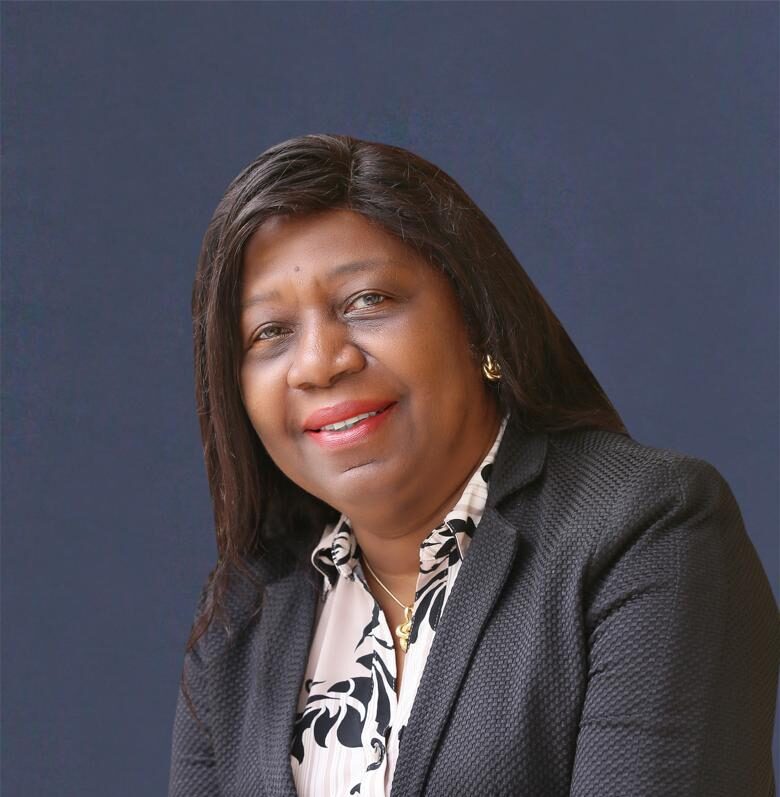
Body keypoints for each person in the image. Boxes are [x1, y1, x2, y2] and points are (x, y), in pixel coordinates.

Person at [168, 134, 778, 797]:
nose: (319, 362)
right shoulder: (245, 607)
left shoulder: (648, 531)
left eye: (367, 300)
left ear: (478, 319)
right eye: (270, 332)